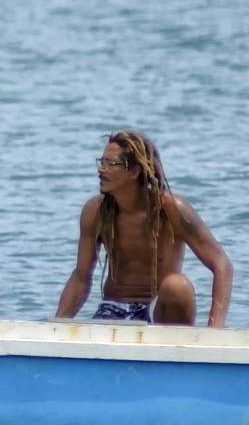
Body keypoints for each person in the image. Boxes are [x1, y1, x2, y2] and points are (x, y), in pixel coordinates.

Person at [53, 129, 232, 326]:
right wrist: (56, 327)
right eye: (101, 162)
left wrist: (215, 330)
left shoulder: (171, 210)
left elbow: (222, 264)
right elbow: (81, 278)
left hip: (157, 312)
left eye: (110, 164)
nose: (101, 170)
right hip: (113, 309)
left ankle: (175, 342)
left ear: (134, 171)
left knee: (178, 286)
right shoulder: (96, 211)